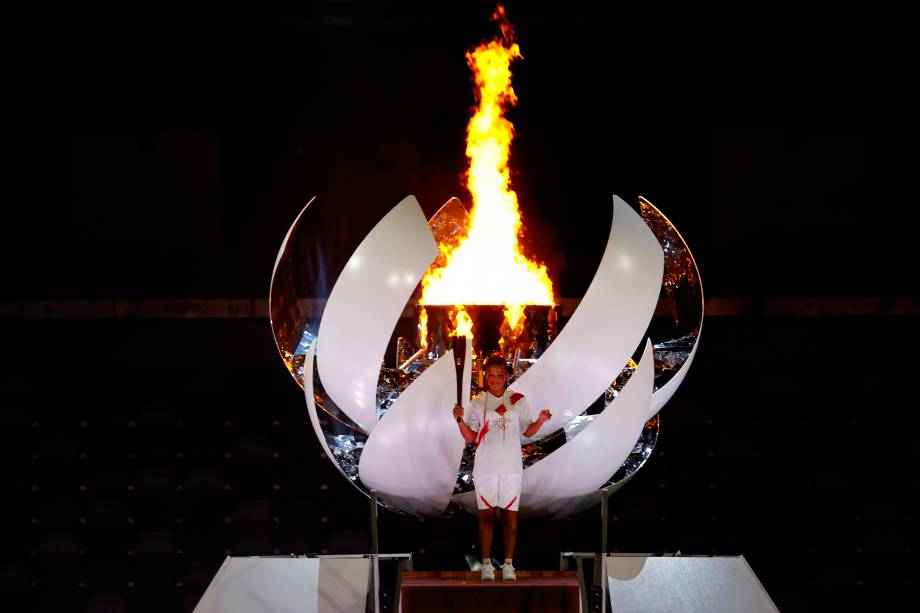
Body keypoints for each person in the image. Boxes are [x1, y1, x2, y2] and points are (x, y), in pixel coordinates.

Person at [453, 352, 552, 581]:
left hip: (511, 468)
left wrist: (540, 421)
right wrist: (458, 420)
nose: (495, 379)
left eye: (499, 375)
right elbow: (470, 437)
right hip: (486, 467)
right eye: (491, 375)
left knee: (511, 520)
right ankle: (487, 564)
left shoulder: (518, 399)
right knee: (486, 518)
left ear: (506, 376)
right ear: (486, 376)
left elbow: (527, 431)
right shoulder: (477, 403)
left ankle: (508, 564)